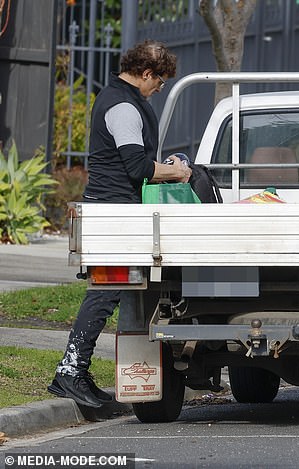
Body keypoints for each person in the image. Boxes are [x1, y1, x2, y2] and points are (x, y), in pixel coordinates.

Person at [47, 40, 192, 408]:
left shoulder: (117, 98)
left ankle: (73, 369)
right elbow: (138, 167)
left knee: (107, 295)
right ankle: (70, 371)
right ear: (146, 74)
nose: (160, 88)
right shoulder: (124, 107)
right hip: (114, 213)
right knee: (103, 294)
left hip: (116, 209)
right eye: (159, 81)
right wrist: (175, 172)